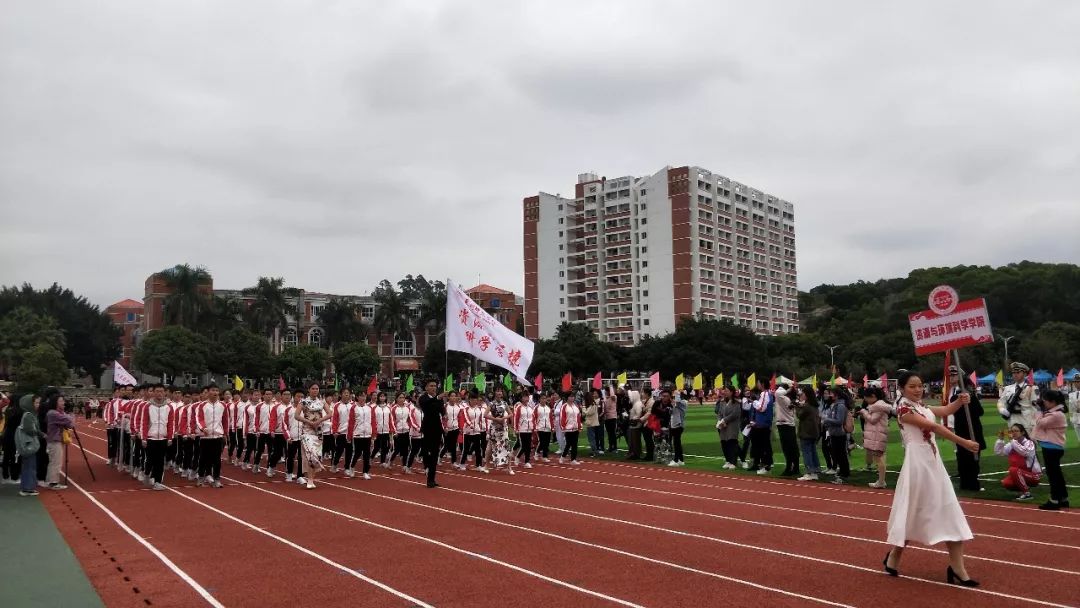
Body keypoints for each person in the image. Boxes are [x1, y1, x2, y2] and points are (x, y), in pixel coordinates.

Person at [884, 371, 980, 587]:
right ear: (901, 388)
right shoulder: (904, 409)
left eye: (920, 385)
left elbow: (944, 411)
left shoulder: (921, 406)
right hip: (918, 464)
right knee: (912, 512)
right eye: (912, 386)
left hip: (933, 462)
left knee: (949, 509)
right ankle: (893, 557)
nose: (918, 389)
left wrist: (959, 401)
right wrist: (963, 442)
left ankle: (958, 568)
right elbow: (934, 427)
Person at [947, 366, 985, 492]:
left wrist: (970, 400)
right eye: (951, 375)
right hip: (959, 427)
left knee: (972, 455)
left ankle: (972, 482)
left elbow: (979, 411)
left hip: (971, 428)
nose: (951, 377)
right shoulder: (951, 391)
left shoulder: (967, 393)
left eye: (954, 375)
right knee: (962, 455)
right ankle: (965, 482)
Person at [1033, 390, 1069, 510]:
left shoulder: (1056, 415)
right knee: (1056, 474)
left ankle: (1054, 500)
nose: (1044, 402)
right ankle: (1063, 498)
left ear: (1053, 402)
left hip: (1051, 447)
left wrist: (1038, 411)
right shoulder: (1055, 412)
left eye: (1046, 400)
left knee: (1053, 475)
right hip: (1052, 446)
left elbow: (1040, 423)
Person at [139, 384, 174, 490]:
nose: (159, 393)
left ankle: (157, 481)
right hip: (151, 437)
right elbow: (144, 423)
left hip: (163, 438)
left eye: (161, 391)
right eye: (157, 391)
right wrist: (144, 438)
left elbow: (171, 423)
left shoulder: (169, 407)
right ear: (153, 393)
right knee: (150, 460)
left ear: (165, 393)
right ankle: (147, 473)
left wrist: (170, 437)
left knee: (160, 461)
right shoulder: (147, 406)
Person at [993, 424, 1041, 500]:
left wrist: (1012, 441)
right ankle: (1024, 486)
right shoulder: (1012, 444)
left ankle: (1027, 494)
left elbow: (1025, 452)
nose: (1013, 433)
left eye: (1016, 431)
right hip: (1020, 474)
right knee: (1006, 483)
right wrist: (1000, 440)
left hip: (1033, 476)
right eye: (1012, 431)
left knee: (1013, 470)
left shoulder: (1029, 443)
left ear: (1022, 433)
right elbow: (999, 452)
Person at [858, 386, 892, 489]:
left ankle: (881, 481)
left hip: (877, 435)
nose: (866, 400)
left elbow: (872, 420)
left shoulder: (878, 407)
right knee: (879, 458)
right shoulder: (878, 406)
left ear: (872, 396)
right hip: (876, 434)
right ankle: (881, 480)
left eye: (866, 398)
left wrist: (864, 412)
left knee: (879, 459)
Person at [296, 383, 328, 489]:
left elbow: (330, 413)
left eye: (317, 389)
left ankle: (311, 479)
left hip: (318, 432)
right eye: (313, 388)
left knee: (316, 455)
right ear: (309, 390)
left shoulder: (322, 402)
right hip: (307, 432)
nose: (315, 390)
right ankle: (310, 480)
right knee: (311, 455)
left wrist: (319, 420)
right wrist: (308, 421)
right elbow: (296, 415)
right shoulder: (303, 401)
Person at [195, 385, 227, 488]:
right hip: (205, 437)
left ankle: (217, 479)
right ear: (208, 392)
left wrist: (225, 433)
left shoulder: (222, 405)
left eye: (217, 390)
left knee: (217, 459)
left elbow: (225, 420)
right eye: (213, 390)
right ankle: (200, 477)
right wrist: (203, 428)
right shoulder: (202, 405)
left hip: (217, 436)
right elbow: (199, 418)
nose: (215, 392)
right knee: (203, 458)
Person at [16, 395, 45, 496]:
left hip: (29, 444)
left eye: (38, 403)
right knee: (29, 466)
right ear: (29, 404)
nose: (38, 405)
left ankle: (28, 486)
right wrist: (41, 434)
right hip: (29, 444)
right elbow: (30, 430)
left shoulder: (31, 414)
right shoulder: (28, 415)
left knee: (29, 465)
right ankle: (27, 488)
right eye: (36, 403)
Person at [997, 362, 1039, 432]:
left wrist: (1034, 425)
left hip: (1026, 425)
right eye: (1013, 373)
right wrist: (1002, 410)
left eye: (1018, 372)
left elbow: (1036, 407)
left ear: (1025, 374)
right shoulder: (1007, 388)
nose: (1015, 375)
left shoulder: (1032, 388)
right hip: (1012, 423)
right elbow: (1000, 402)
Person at [44, 395, 74, 490]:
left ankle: (51, 481)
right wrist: (68, 415)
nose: (63, 403)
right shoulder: (53, 413)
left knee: (54, 461)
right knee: (56, 462)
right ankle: (53, 482)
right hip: (54, 440)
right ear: (55, 403)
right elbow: (70, 422)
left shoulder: (55, 413)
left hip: (56, 439)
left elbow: (69, 423)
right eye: (61, 401)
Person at [821, 388, 850, 484]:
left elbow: (839, 421)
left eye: (831, 394)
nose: (830, 395)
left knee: (841, 455)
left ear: (836, 395)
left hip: (839, 434)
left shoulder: (840, 406)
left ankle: (844, 474)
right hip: (834, 433)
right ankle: (842, 473)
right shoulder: (835, 405)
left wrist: (826, 419)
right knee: (837, 454)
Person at [485, 387, 515, 475]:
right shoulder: (491, 404)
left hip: (503, 428)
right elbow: (485, 415)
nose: (499, 393)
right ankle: (486, 466)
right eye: (497, 391)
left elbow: (511, 414)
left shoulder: (505, 403)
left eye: (500, 391)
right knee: (490, 448)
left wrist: (503, 418)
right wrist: (495, 418)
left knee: (507, 447)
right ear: (495, 393)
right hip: (494, 428)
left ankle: (509, 467)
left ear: (502, 393)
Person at [795, 387, 822, 481]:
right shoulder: (815, 405)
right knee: (813, 451)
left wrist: (797, 406)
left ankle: (810, 472)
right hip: (814, 432)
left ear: (807, 395)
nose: (801, 395)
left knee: (806, 452)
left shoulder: (807, 406)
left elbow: (799, 415)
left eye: (803, 394)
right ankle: (816, 470)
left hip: (806, 432)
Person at [458, 389, 487, 472]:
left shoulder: (479, 409)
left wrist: (481, 428)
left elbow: (481, 420)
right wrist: (471, 425)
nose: (475, 401)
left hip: (477, 432)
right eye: (473, 400)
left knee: (478, 449)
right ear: (469, 400)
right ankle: (462, 464)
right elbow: (466, 418)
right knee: (466, 449)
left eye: (476, 400)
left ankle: (478, 465)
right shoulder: (465, 409)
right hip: (467, 432)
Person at [748, 385, 773, 475]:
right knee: (756, 446)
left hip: (762, 425)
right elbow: (752, 412)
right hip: (756, 425)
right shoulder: (758, 400)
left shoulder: (765, 398)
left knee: (764, 446)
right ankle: (757, 463)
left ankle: (766, 464)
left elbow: (762, 411)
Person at [714, 386, 741, 469]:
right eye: (724, 391)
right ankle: (728, 460)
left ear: (732, 392)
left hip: (732, 425)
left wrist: (724, 420)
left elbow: (735, 414)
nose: (725, 392)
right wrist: (720, 421)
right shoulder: (722, 402)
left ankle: (733, 462)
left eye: (727, 391)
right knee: (724, 443)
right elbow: (719, 413)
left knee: (732, 443)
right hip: (723, 426)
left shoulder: (736, 402)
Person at [774, 385, 798, 476]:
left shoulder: (784, 399)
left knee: (787, 448)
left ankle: (789, 467)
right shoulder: (789, 400)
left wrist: (788, 389)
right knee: (792, 447)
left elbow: (777, 393)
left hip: (784, 425)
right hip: (789, 425)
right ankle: (795, 468)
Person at [512, 390, 537, 469]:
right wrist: (516, 429)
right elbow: (516, 418)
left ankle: (527, 461)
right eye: (524, 397)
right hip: (522, 429)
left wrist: (534, 427)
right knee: (524, 446)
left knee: (528, 446)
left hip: (529, 429)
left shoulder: (530, 408)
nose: (526, 398)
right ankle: (518, 457)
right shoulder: (519, 408)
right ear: (521, 398)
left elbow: (533, 418)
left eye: (527, 397)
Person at [558, 393, 583, 465]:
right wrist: (563, 427)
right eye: (570, 396)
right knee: (568, 444)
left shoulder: (576, 406)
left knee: (575, 444)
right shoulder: (564, 406)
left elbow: (578, 417)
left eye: (573, 396)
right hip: (568, 428)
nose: (572, 398)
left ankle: (573, 459)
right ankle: (562, 457)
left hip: (575, 428)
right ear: (567, 398)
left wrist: (579, 426)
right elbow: (562, 417)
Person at [371, 392, 393, 469]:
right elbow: (373, 420)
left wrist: (391, 429)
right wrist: (374, 430)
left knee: (385, 447)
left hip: (386, 431)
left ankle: (382, 462)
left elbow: (391, 420)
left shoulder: (388, 408)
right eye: (381, 396)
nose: (382, 398)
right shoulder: (375, 408)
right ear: (378, 398)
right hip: (378, 431)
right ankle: (371, 458)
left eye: (384, 396)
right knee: (377, 447)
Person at [534, 392, 555, 463]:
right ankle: (537, 453)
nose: (544, 400)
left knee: (547, 442)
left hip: (548, 427)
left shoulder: (548, 408)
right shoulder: (536, 408)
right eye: (542, 398)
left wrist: (552, 427)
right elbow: (534, 418)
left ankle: (545, 456)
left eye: (545, 398)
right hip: (540, 427)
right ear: (539, 399)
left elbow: (551, 418)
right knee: (542, 442)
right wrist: (535, 427)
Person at [668, 389, 687, 467]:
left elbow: (678, 401)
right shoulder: (676, 403)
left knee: (676, 443)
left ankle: (676, 460)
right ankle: (680, 460)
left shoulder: (683, 403)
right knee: (677, 443)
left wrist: (676, 393)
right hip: (674, 424)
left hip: (678, 425)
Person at [583, 390, 603, 456]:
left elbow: (588, 413)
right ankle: (594, 450)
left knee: (591, 438)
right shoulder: (592, 404)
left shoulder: (592, 405)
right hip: (592, 423)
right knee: (592, 438)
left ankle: (594, 451)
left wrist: (583, 407)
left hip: (591, 423)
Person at [602, 388, 619, 453]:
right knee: (609, 433)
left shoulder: (614, 397)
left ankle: (614, 447)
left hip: (612, 417)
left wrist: (611, 387)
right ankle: (610, 447)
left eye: (607, 391)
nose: (606, 393)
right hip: (607, 418)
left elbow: (612, 395)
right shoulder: (606, 399)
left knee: (613, 433)